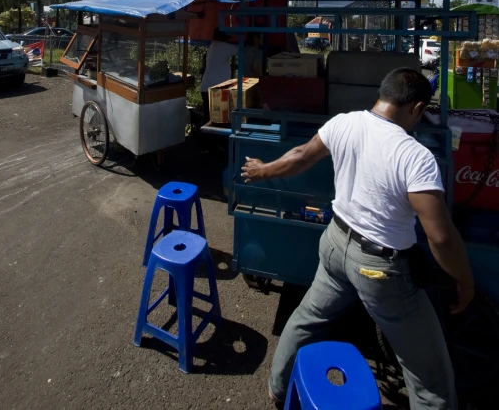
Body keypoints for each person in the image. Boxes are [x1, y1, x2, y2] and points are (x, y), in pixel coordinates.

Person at [242, 67, 474, 410]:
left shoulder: (344, 122)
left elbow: (300, 157)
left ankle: (278, 388)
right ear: (417, 107)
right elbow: (440, 237)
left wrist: (262, 170)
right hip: (381, 271)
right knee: (430, 376)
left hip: (336, 244)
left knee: (308, 318)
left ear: (382, 95)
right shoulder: (415, 156)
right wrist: (464, 280)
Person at [200, 28, 238, 123]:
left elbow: (219, 63)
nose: (227, 41)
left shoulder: (213, 47)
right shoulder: (222, 46)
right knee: (218, 120)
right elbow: (240, 49)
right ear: (221, 38)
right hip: (215, 89)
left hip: (207, 87)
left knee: (209, 119)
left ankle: (207, 137)